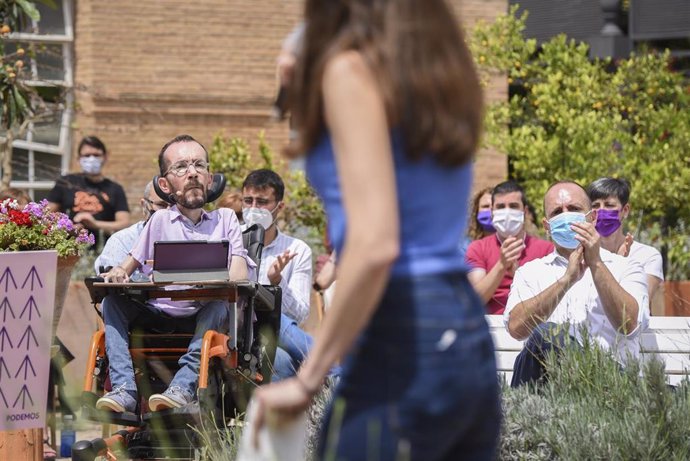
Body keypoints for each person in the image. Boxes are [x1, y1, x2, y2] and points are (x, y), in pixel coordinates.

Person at [253, 1, 501, 459]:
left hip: (401, 330)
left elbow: (375, 244)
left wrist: (309, 378)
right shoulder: (441, 78)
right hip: (462, 330)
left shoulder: (351, 72)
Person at [95, 134, 252, 413]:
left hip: (203, 316)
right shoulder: (159, 220)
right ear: (165, 184)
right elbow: (127, 265)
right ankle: (124, 389)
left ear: (210, 178)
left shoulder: (225, 219)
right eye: (181, 167)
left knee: (218, 306)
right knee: (112, 302)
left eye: (199, 165)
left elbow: (238, 274)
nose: (192, 173)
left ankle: (182, 386)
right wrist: (117, 273)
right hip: (159, 315)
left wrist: (208, 280)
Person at [504, 180, 649, 387]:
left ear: (592, 216)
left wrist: (596, 263)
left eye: (573, 209)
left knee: (547, 333)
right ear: (547, 226)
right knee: (544, 335)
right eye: (557, 212)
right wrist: (566, 280)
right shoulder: (530, 272)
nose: (566, 216)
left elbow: (630, 326)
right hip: (547, 393)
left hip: (609, 389)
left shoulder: (625, 267)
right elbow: (516, 328)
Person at [239, 169, 315, 380]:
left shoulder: (297, 250)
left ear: (279, 207)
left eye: (262, 202)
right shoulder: (231, 238)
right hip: (235, 329)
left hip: (274, 335)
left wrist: (277, 282)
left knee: (281, 359)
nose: (253, 208)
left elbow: (300, 314)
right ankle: (336, 371)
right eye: (248, 200)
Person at [465, 180, 553, 314]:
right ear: (492, 212)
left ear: (525, 211)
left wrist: (519, 275)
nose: (507, 212)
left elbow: (551, 298)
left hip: (534, 326)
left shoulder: (546, 250)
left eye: (513, 206)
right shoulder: (477, 248)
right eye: (500, 207)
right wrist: (501, 265)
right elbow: (475, 300)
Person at [586, 177, 663, 300]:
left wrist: (621, 263)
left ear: (625, 210)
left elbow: (640, 305)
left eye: (609, 205)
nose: (601, 211)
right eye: (595, 206)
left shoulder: (648, 256)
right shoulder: (584, 255)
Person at [47, 136, 130, 247]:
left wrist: (95, 224)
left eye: (96, 155)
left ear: (105, 157)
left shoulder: (115, 188)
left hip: (102, 250)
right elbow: (47, 214)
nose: (91, 159)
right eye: (87, 155)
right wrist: (69, 227)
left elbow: (124, 223)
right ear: (78, 159)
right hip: (68, 249)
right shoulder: (65, 182)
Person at [94, 181, 169, 280]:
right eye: (161, 205)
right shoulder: (122, 241)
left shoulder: (188, 236)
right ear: (144, 205)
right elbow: (113, 287)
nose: (168, 212)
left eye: (174, 206)